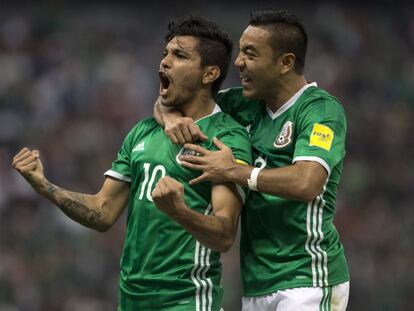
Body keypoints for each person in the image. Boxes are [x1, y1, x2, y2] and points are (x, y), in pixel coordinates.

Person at [12, 14, 252, 311]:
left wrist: (179, 211)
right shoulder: (142, 131)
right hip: (130, 300)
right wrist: (44, 186)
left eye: (179, 55)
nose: (164, 61)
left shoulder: (226, 137)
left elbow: (224, 235)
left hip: (187, 299)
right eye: (165, 53)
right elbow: (102, 212)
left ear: (209, 74)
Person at [155, 9, 350, 311]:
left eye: (250, 54)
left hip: (308, 276)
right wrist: (169, 117)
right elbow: (181, 96)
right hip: (257, 282)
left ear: (285, 62)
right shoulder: (243, 104)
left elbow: (307, 182)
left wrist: (235, 171)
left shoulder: (320, 110)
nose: (238, 62)